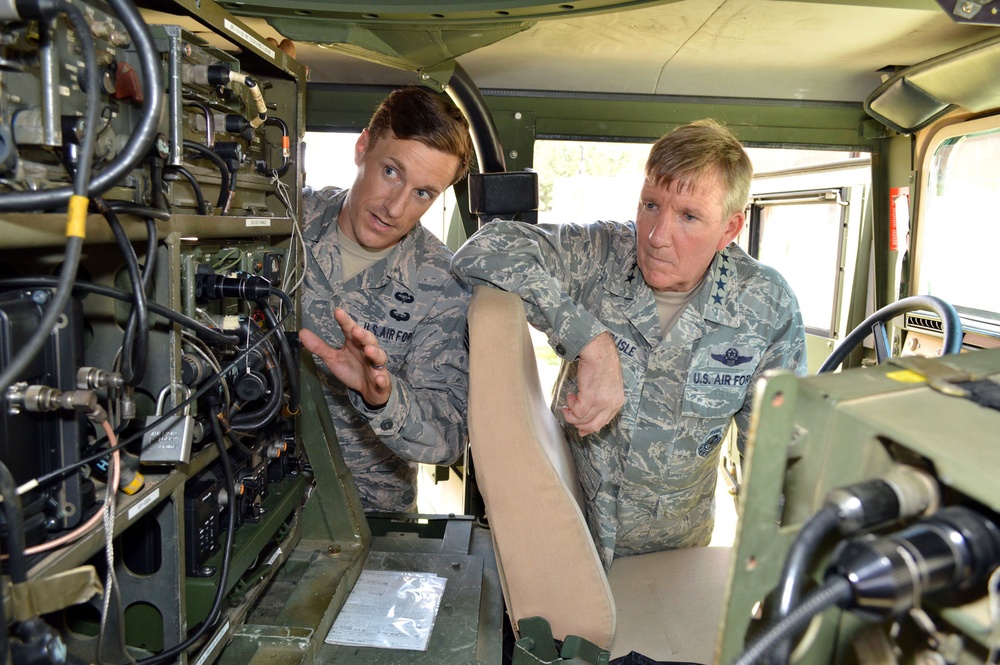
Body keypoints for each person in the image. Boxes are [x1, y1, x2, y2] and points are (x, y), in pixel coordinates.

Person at [451, 119, 806, 568]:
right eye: (651, 205)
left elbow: (775, 462)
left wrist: (768, 576)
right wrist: (590, 341)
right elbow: (483, 248)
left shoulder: (766, 305)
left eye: (689, 217)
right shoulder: (601, 253)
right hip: (569, 543)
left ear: (729, 230)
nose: (657, 236)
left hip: (673, 560)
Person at [298, 87, 474, 513]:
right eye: (392, 171)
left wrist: (384, 397)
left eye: (423, 193)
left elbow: (449, 436)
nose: (395, 208)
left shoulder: (443, 281)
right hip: (248, 501)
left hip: (369, 515)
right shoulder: (283, 221)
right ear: (363, 148)